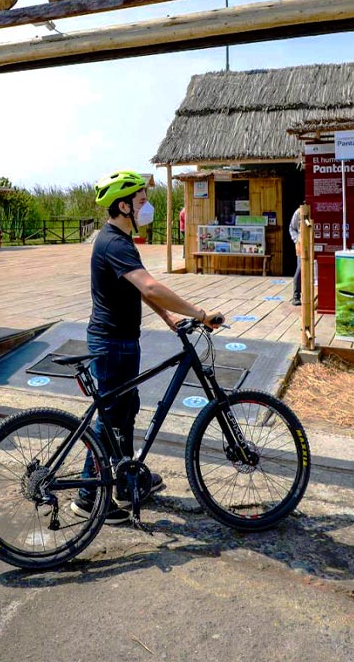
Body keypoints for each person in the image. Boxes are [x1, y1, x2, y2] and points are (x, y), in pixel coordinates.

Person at [71, 170, 223, 524]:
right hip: (111, 343)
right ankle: (87, 495)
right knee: (109, 419)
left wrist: (171, 319)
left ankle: (126, 482)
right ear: (123, 206)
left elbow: (140, 290)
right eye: (140, 201)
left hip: (122, 340)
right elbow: (151, 287)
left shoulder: (120, 240)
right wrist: (200, 314)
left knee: (124, 413)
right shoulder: (114, 243)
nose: (146, 207)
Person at [289, 206, 302, 305]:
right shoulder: (299, 212)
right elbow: (292, 228)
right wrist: (297, 240)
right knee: (300, 268)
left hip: (318, 244)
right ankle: (296, 295)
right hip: (302, 245)